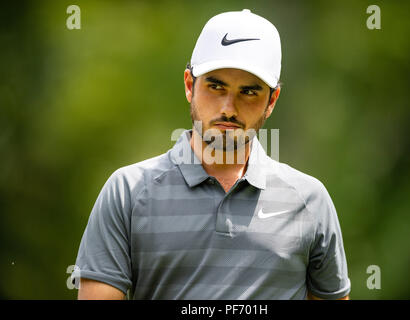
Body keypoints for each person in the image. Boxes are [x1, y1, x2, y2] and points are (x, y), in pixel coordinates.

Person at [72, 9, 351, 300]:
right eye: (216, 87)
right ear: (190, 85)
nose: (229, 107)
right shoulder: (127, 192)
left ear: (272, 101)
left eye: (249, 92)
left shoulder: (309, 201)